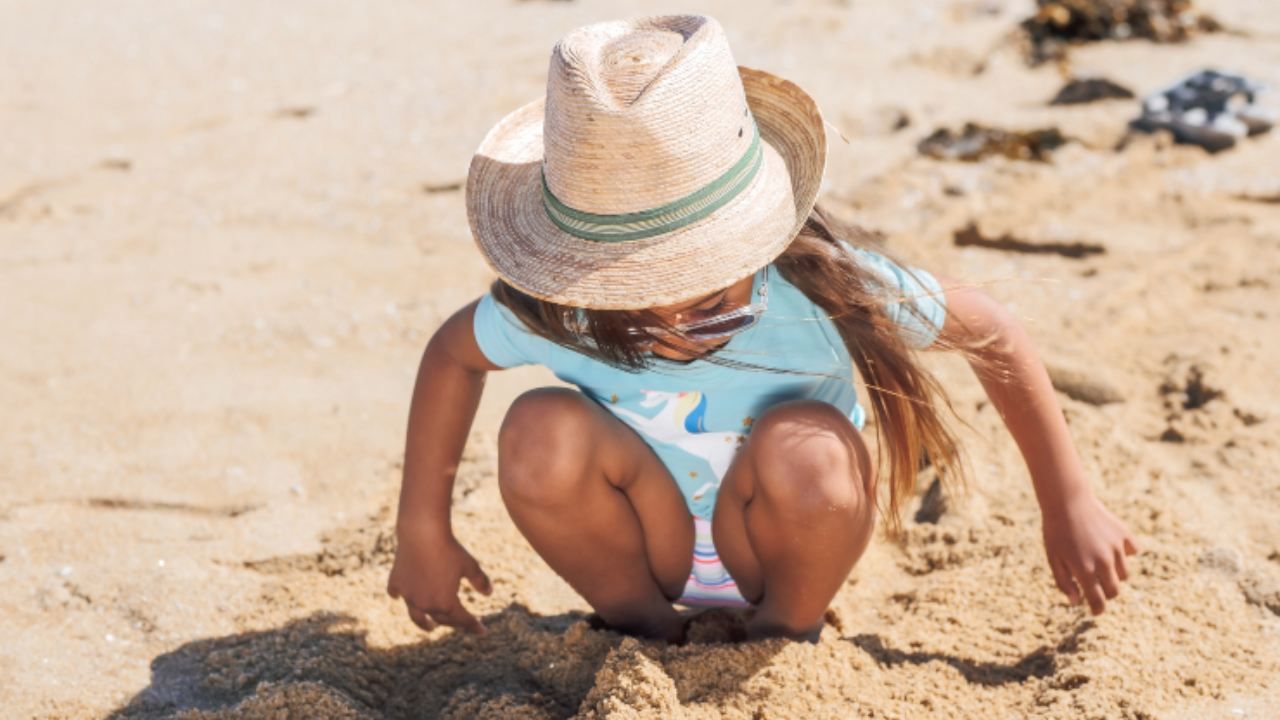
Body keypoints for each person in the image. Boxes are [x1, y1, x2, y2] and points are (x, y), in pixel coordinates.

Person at [386, 13, 1139, 643]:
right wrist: (422, 525)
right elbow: (454, 355)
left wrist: (1066, 499)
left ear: (753, 237)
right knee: (538, 426)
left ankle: (787, 630)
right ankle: (645, 630)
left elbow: (991, 328)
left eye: (704, 284)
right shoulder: (571, 310)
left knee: (805, 441)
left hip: (785, 540)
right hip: (645, 544)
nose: (676, 313)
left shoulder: (820, 291)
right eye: (640, 293)